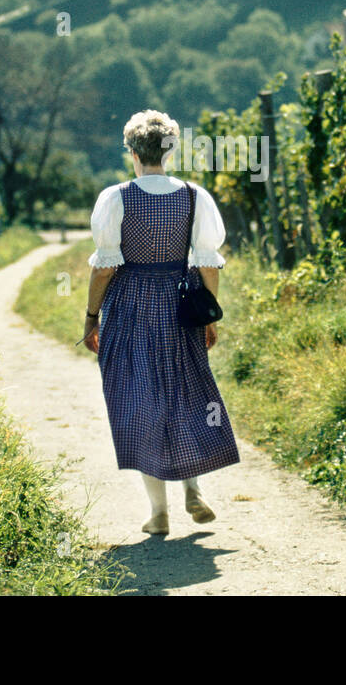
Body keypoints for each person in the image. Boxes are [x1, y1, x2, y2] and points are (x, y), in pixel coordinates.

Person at [82, 110, 240, 535]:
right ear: (169, 151)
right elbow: (208, 264)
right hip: (179, 304)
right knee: (184, 393)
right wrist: (209, 314)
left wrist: (91, 317)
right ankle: (193, 488)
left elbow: (103, 270)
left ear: (132, 152)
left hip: (130, 305)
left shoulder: (115, 198)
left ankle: (159, 512)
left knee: (139, 403)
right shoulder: (194, 197)